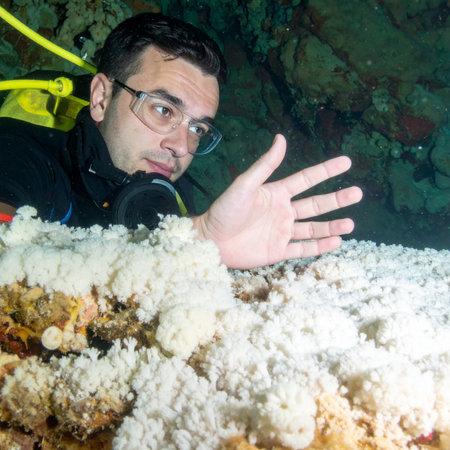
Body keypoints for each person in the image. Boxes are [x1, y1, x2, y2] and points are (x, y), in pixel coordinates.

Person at [0, 13, 362, 270]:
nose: (181, 146)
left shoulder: (173, 196)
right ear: (101, 99)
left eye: (198, 128)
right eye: (163, 110)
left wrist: (203, 243)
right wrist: (191, 239)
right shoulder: (20, 156)